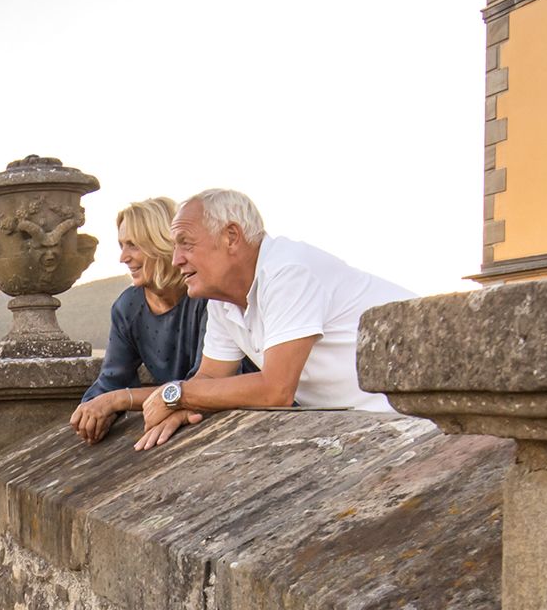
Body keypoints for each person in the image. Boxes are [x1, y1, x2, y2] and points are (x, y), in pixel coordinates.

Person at [135, 188, 414, 451]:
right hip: (366, 429)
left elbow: (275, 390)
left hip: (414, 423)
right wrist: (181, 406)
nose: (176, 260)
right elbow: (209, 377)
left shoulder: (287, 270)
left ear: (231, 236)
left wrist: (177, 396)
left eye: (186, 244)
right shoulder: (222, 301)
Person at [68, 197, 207, 444]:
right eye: (121, 245)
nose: (123, 257)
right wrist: (92, 411)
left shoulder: (203, 295)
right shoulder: (128, 307)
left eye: (133, 245)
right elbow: (112, 380)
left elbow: (204, 383)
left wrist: (120, 400)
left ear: (160, 244)